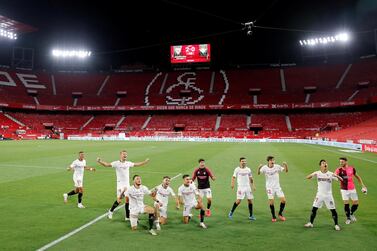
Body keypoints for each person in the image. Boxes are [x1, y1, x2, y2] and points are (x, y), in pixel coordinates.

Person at [96, 150, 149, 220]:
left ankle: (127, 217)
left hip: (127, 185)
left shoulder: (128, 163)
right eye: (124, 154)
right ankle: (111, 211)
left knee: (127, 199)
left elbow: (137, 164)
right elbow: (107, 165)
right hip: (120, 184)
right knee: (119, 200)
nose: (125, 155)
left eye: (126, 154)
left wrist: (145, 162)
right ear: (120, 155)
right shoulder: (116, 163)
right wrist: (100, 161)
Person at [304, 159, 343, 231]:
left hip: (328, 195)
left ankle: (336, 225)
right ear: (320, 165)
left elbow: (341, 180)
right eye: (323, 163)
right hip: (319, 195)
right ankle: (310, 223)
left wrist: (336, 176)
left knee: (333, 210)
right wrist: (313, 174)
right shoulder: (317, 173)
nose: (325, 164)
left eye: (325, 163)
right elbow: (307, 177)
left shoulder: (331, 174)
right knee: (314, 209)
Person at [334, 157, 367, 224]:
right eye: (340, 162)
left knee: (356, 203)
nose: (341, 163)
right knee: (346, 204)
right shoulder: (339, 170)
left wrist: (362, 185)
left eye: (342, 162)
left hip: (352, 189)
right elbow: (334, 175)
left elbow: (358, 177)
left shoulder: (352, 168)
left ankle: (351, 213)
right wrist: (336, 177)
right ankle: (348, 218)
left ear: (346, 162)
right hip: (344, 189)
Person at [258, 156, 288, 222]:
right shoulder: (264, 168)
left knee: (283, 200)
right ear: (268, 161)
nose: (273, 161)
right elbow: (258, 173)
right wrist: (259, 167)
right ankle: (273, 216)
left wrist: (286, 165)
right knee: (271, 202)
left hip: (277, 187)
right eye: (271, 160)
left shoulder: (277, 166)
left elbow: (286, 171)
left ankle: (280, 213)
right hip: (269, 187)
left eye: (273, 160)